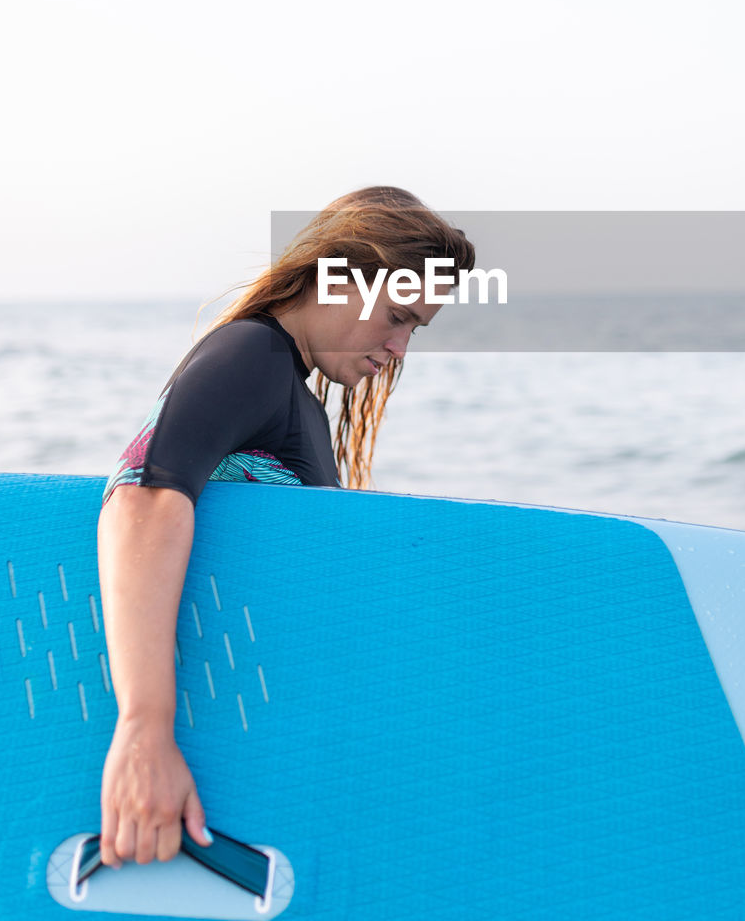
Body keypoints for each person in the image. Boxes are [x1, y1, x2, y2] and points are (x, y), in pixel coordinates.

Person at [96, 186, 475, 870]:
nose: (398, 348)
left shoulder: (290, 390)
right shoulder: (252, 356)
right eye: (396, 316)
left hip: (271, 744)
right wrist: (142, 733)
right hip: (208, 753)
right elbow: (143, 498)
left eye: (415, 328)